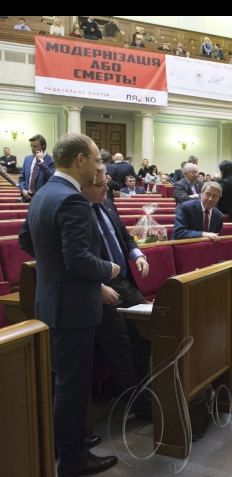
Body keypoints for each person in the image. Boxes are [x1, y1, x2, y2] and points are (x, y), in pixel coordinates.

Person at [18, 133, 119, 477]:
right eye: (94, 159)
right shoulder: (73, 200)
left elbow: (25, 239)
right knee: (72, 385)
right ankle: (73, 458)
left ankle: (70, 440)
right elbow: (79, 261)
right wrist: (109, 269)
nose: (97, 165)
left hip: (50, 301)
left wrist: (52, 268)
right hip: (74, 307)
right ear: (79, 160)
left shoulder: (44, 192)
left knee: (64, 382)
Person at [84, 166, 152, 414]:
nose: (107, 189)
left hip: (126, 281)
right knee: (120, 346)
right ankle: (137, 403)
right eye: (101, 185)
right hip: (103, 287)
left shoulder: (108, 204)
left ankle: (136, 388)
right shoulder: (79, 212)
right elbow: (76, 258)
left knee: (146, 330)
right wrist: (99, 286)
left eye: (107, 184)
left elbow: (124, 236)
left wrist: (138, 255)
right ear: (84, 186)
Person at [18, 135, 55, 202]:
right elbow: (22, 178)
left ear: (43, 147)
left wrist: (41, 162)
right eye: (31, 146)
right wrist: (22, 190)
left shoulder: (51, 160)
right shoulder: (27, 159)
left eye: (35, 146)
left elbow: (52, 176)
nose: (32, 148)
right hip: (26, 197)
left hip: (42, 199)